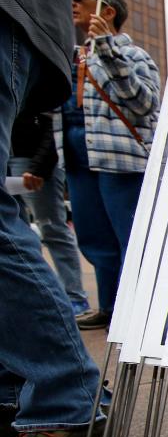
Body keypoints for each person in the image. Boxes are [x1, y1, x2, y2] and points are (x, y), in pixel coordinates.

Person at [0, 0, 106, 437]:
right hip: (83, 164)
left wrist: (103, 50)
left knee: (82, 244)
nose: (80, 6)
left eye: (84, 0)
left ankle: (66, 399)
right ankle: (17, 390)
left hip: (113, 163)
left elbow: (136, 102)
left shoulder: (112, 51)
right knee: (80, 238)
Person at [62, 0, 160, 330]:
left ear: (107, 10)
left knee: (130, 238)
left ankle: (142, 311)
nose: (70, 3)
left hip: (120, 161)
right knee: (93, 237)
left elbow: (145, 104)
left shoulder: (134, 55)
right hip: (79, 156)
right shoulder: (74, 55)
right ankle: (111, 306)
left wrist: (106, 50)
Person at [9, 110, 92, 318]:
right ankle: (31, 296)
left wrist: (39, 166)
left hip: (31, 158)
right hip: (9, 159)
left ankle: (75, 297)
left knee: (52, 229)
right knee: (15, 234)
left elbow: (53, 122)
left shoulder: (31, 81)